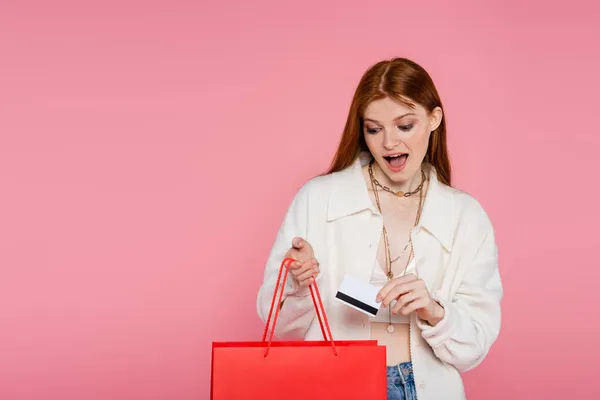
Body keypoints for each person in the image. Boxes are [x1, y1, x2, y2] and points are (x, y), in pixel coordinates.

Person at [256, 57, 503, 400]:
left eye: (404, 126)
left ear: (434, 118)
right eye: (374, 129)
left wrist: (434, 310)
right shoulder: (318, 199)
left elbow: (474, 345)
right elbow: (281, 327)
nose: (389, 143)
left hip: (429, 389)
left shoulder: (466, 216)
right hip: (336, 386)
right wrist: (298, 284)